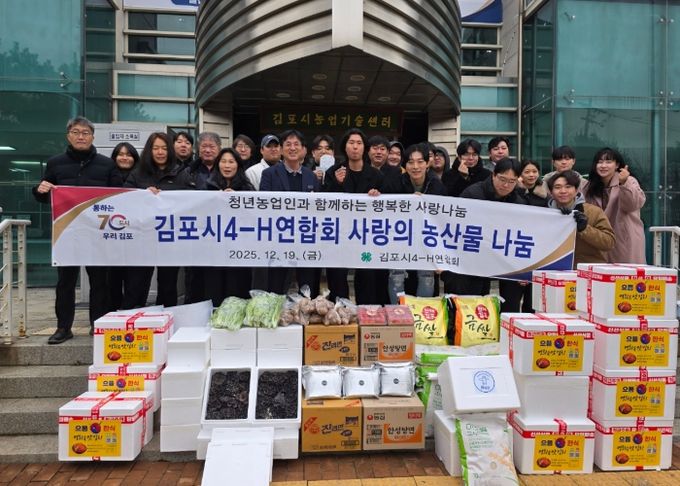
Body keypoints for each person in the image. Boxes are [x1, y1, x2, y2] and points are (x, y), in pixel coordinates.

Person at [32, 116, 122, 344]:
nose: (81, 137)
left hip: (98, 233)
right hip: (67, 232)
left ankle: (97, 324)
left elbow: (119, 195)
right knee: (65, 282)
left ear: (93, 137)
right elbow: (45, 195)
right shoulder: (55, 163)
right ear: (68, 136)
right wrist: (40, 190)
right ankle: (63, 327)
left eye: (85, 133)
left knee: (99, 281)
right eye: (76, 132)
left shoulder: (107, 165)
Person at [124, 132, 194, 307]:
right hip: (142, 238)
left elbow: (193, 201)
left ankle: (167, 318)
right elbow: (124, 201)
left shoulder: (182, 173)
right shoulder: (137, 174)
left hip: (169, 238)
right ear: (149, 150)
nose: (160, 152)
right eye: (156, 148)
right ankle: (134, 316)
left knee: (168, 284)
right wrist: (142, 195)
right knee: (137, 283)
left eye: (164, 148)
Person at [323, 128, 386, 304]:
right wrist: (337, 184)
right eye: (351, 143)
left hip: (365, 236)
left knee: (366, 274)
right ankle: (340, 310)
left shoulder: (376, 175)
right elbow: (325, 203)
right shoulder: (334, 172)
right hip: (340, 235)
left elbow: (385, 206)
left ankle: (366, 311)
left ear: (365, 148)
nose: (355, 147)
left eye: (359, 143)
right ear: (345, 147)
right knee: (337, 275)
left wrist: (377, 196)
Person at [458, 158, 528, 312]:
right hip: (473, 256)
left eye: (512, 181)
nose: (506, 185)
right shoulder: (472, 194)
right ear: (493, 175)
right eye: (502, 179)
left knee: (513, 290)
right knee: (474, 303)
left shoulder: (518, 203)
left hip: (502, 257)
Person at [260, 129, 321, 296]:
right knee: (276, 286)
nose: (292, 148)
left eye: (296, 144)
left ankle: (306, 311)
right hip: (279, 238)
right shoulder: (269, 174)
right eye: (288, 144)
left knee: (307, 286)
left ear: (303, 149)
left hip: (305, 239)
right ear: (281, 149)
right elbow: (263, 206)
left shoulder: (311, 177)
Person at [388, 143, 447, 303]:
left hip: (427, 238)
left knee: (426, 275)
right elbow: (387, 209)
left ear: (427, 163)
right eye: (411, 162)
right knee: (396, 274)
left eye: (420, 162)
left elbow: (443, 217)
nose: (415, 166)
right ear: (405, 165)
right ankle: (397, 312)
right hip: (400, 237)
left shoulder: (436, 185)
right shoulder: (395, 183)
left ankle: (422, 312)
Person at [204, 148, 254, 305]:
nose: (227, 166)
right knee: (214, 288)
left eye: (231, 162)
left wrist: (237, 200)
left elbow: (254, 216)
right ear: (218, 164)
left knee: (237, 289)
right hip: (214, 248)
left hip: (239, 249)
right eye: (223, 161)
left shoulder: (248, 188)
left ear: (238, 165)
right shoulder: (207, 186)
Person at [584, 147, 646, 263]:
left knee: (625, 272)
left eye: (608, 162)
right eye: (600, 162)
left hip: (624, 237)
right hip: (601, 239)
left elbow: (632, 205)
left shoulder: (629, 181)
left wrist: (624, 183)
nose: (603, 166)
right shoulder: (590, 186)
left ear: (617, 165)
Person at [548, 170, 615, 267]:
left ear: (576, 190)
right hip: (553, 269)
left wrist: (585, 229)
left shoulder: (593, 212)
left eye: (568, 187)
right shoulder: (544, 214)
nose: (563, 191)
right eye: (557, 187)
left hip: (587, 269)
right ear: (551, 192)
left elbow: (609, 243)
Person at [184, 131, 221, 303]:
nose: (207, 150)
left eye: (211, 146)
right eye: (204, 146)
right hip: (195, 231)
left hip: (219, 233)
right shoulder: (188, 171)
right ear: (198, 149)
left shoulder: (226, 169)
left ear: (219, 148)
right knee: (194, 276)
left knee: (215, 276)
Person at [108, 142, 142, 311]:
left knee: (135, 281)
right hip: (112, 238)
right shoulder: (106, 177)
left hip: (137, 239)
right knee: (112, 280)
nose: (124, 158)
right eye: (120, 154)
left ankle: (132, 313)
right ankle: (113, 315)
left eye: (128, 155)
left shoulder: (142, 177)